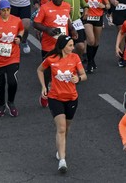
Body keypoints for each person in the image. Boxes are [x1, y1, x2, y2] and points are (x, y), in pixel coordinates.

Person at [37, 35, 87, 174]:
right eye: (70, 45)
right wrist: (43, 87)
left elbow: (84, 75)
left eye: (73, 45)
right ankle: (62, 161)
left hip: (71, 98)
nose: (73, 47)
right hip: (55, 98)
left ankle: (61, 149)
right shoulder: (51, 59)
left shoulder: (75, 58)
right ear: (63, 45)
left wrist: (78, 78)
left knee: (67, 127)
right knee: (61, 128)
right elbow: (40, 70)